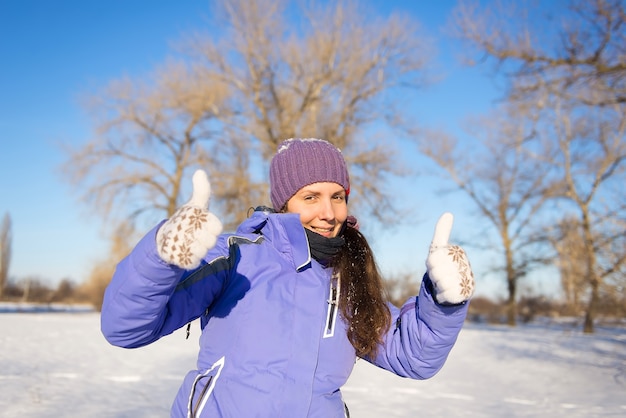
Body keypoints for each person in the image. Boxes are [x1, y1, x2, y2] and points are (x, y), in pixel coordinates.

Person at [101, 138, 475, 417]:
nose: (328, 212)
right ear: (284, 202)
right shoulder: (236, 257)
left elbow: (412, 356)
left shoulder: (349, 276)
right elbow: (126, 328)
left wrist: (444, 303)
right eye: (310, 197)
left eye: (337, 196)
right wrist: (160, 258)